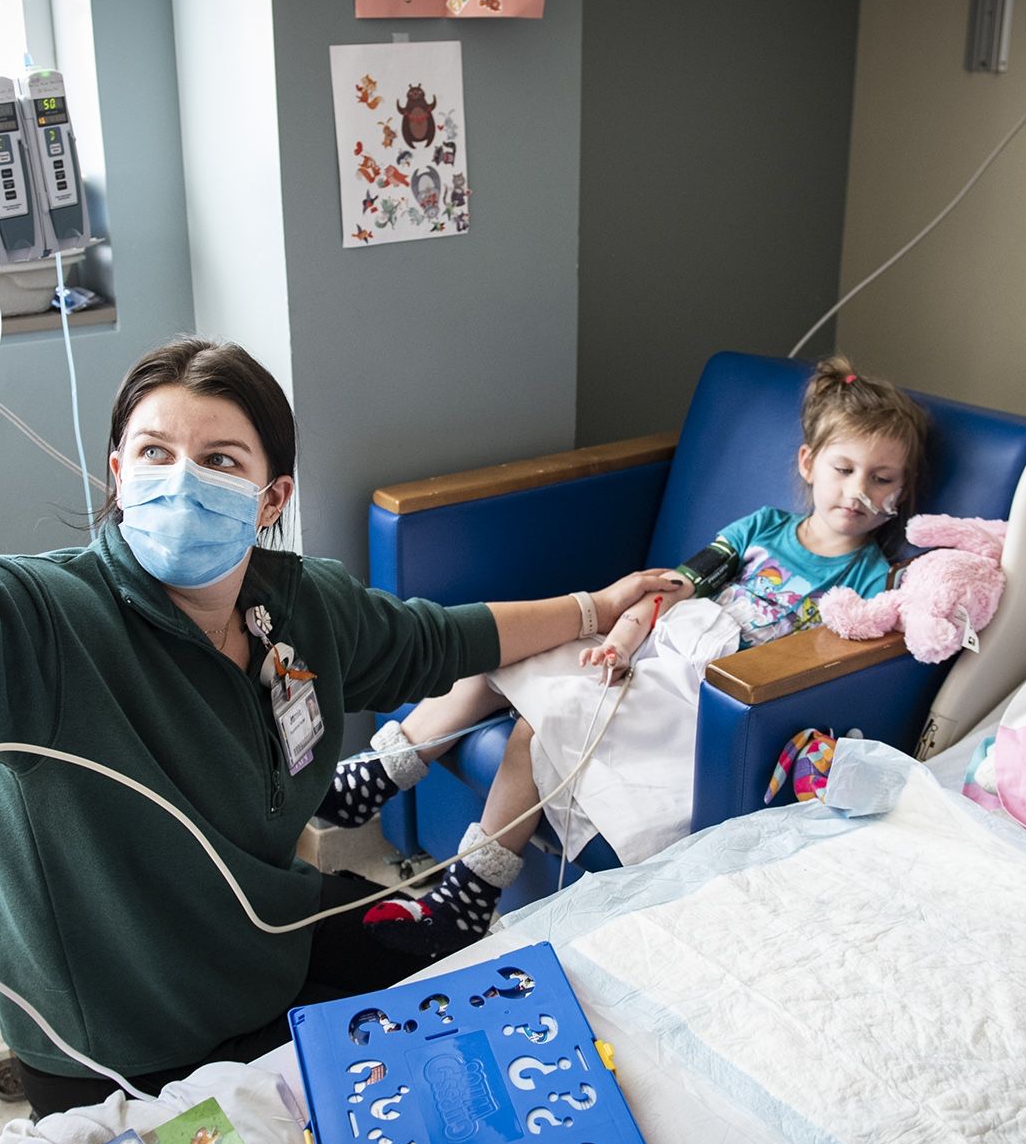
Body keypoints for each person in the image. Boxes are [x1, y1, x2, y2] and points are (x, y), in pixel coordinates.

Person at [0, 193, 674, 1118]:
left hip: (270, 950)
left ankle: (396, 836)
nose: (181, 478)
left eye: (219, 458)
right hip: (121, 1053)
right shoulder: (36, 630)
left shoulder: (302, 610)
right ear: (116, 474)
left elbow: (448, 637)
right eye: (154, 452)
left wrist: (594, 603)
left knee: (480, 1017)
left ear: (273, 496)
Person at [326, 359, 931, 957]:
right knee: (497, 657)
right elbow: (668, 591)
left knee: (536, 729)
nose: (857, 492)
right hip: (658, 646)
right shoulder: (761, 530)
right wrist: (620, 641)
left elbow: (831, 665)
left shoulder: (871, 578)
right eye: (844, 468)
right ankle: (377, 775)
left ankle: (464, 902)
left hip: (710, 692)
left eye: (881, 479)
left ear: (901, 493)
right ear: (809, 463)